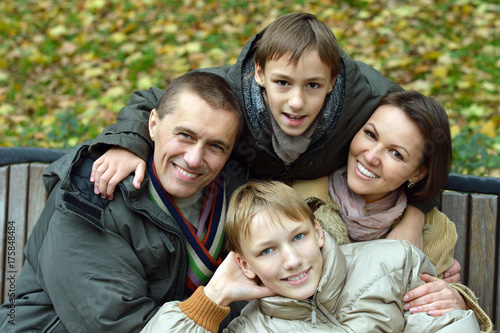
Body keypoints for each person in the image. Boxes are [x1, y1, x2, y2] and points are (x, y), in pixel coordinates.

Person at [87, 12, 433, 251]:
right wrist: (127, 143)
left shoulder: (367, 97)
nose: (296, 102)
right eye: (283, 83)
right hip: (245, 220)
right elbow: (156, 102)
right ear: (259, 73)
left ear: (332, 80)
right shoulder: (229, 91)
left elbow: (427, 147)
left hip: (312, 224)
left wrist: (414, 218)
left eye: (313, 85)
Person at [0, 71, 248, 332]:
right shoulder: (90, 197)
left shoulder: (229, 197)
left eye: (216, 146)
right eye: (185, 135)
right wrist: (216, 303)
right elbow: (119, 325)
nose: (195, 159)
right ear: (152, 123)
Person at [140, 180, 480, 332]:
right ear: (244, 263)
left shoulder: (393, 260)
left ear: (318, 231)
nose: (292, 260)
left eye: (298, 237)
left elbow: (443, 321)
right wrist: (214, 297)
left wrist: (460, 306)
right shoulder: (253, 328)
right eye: (267, 250)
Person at [292, 90, 492, 331]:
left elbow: (423, 311)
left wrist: (456, 299)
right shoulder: (296, 199)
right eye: (370, 134)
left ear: (418, 173)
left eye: (396, 153)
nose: (371, 156)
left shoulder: (432, 229)